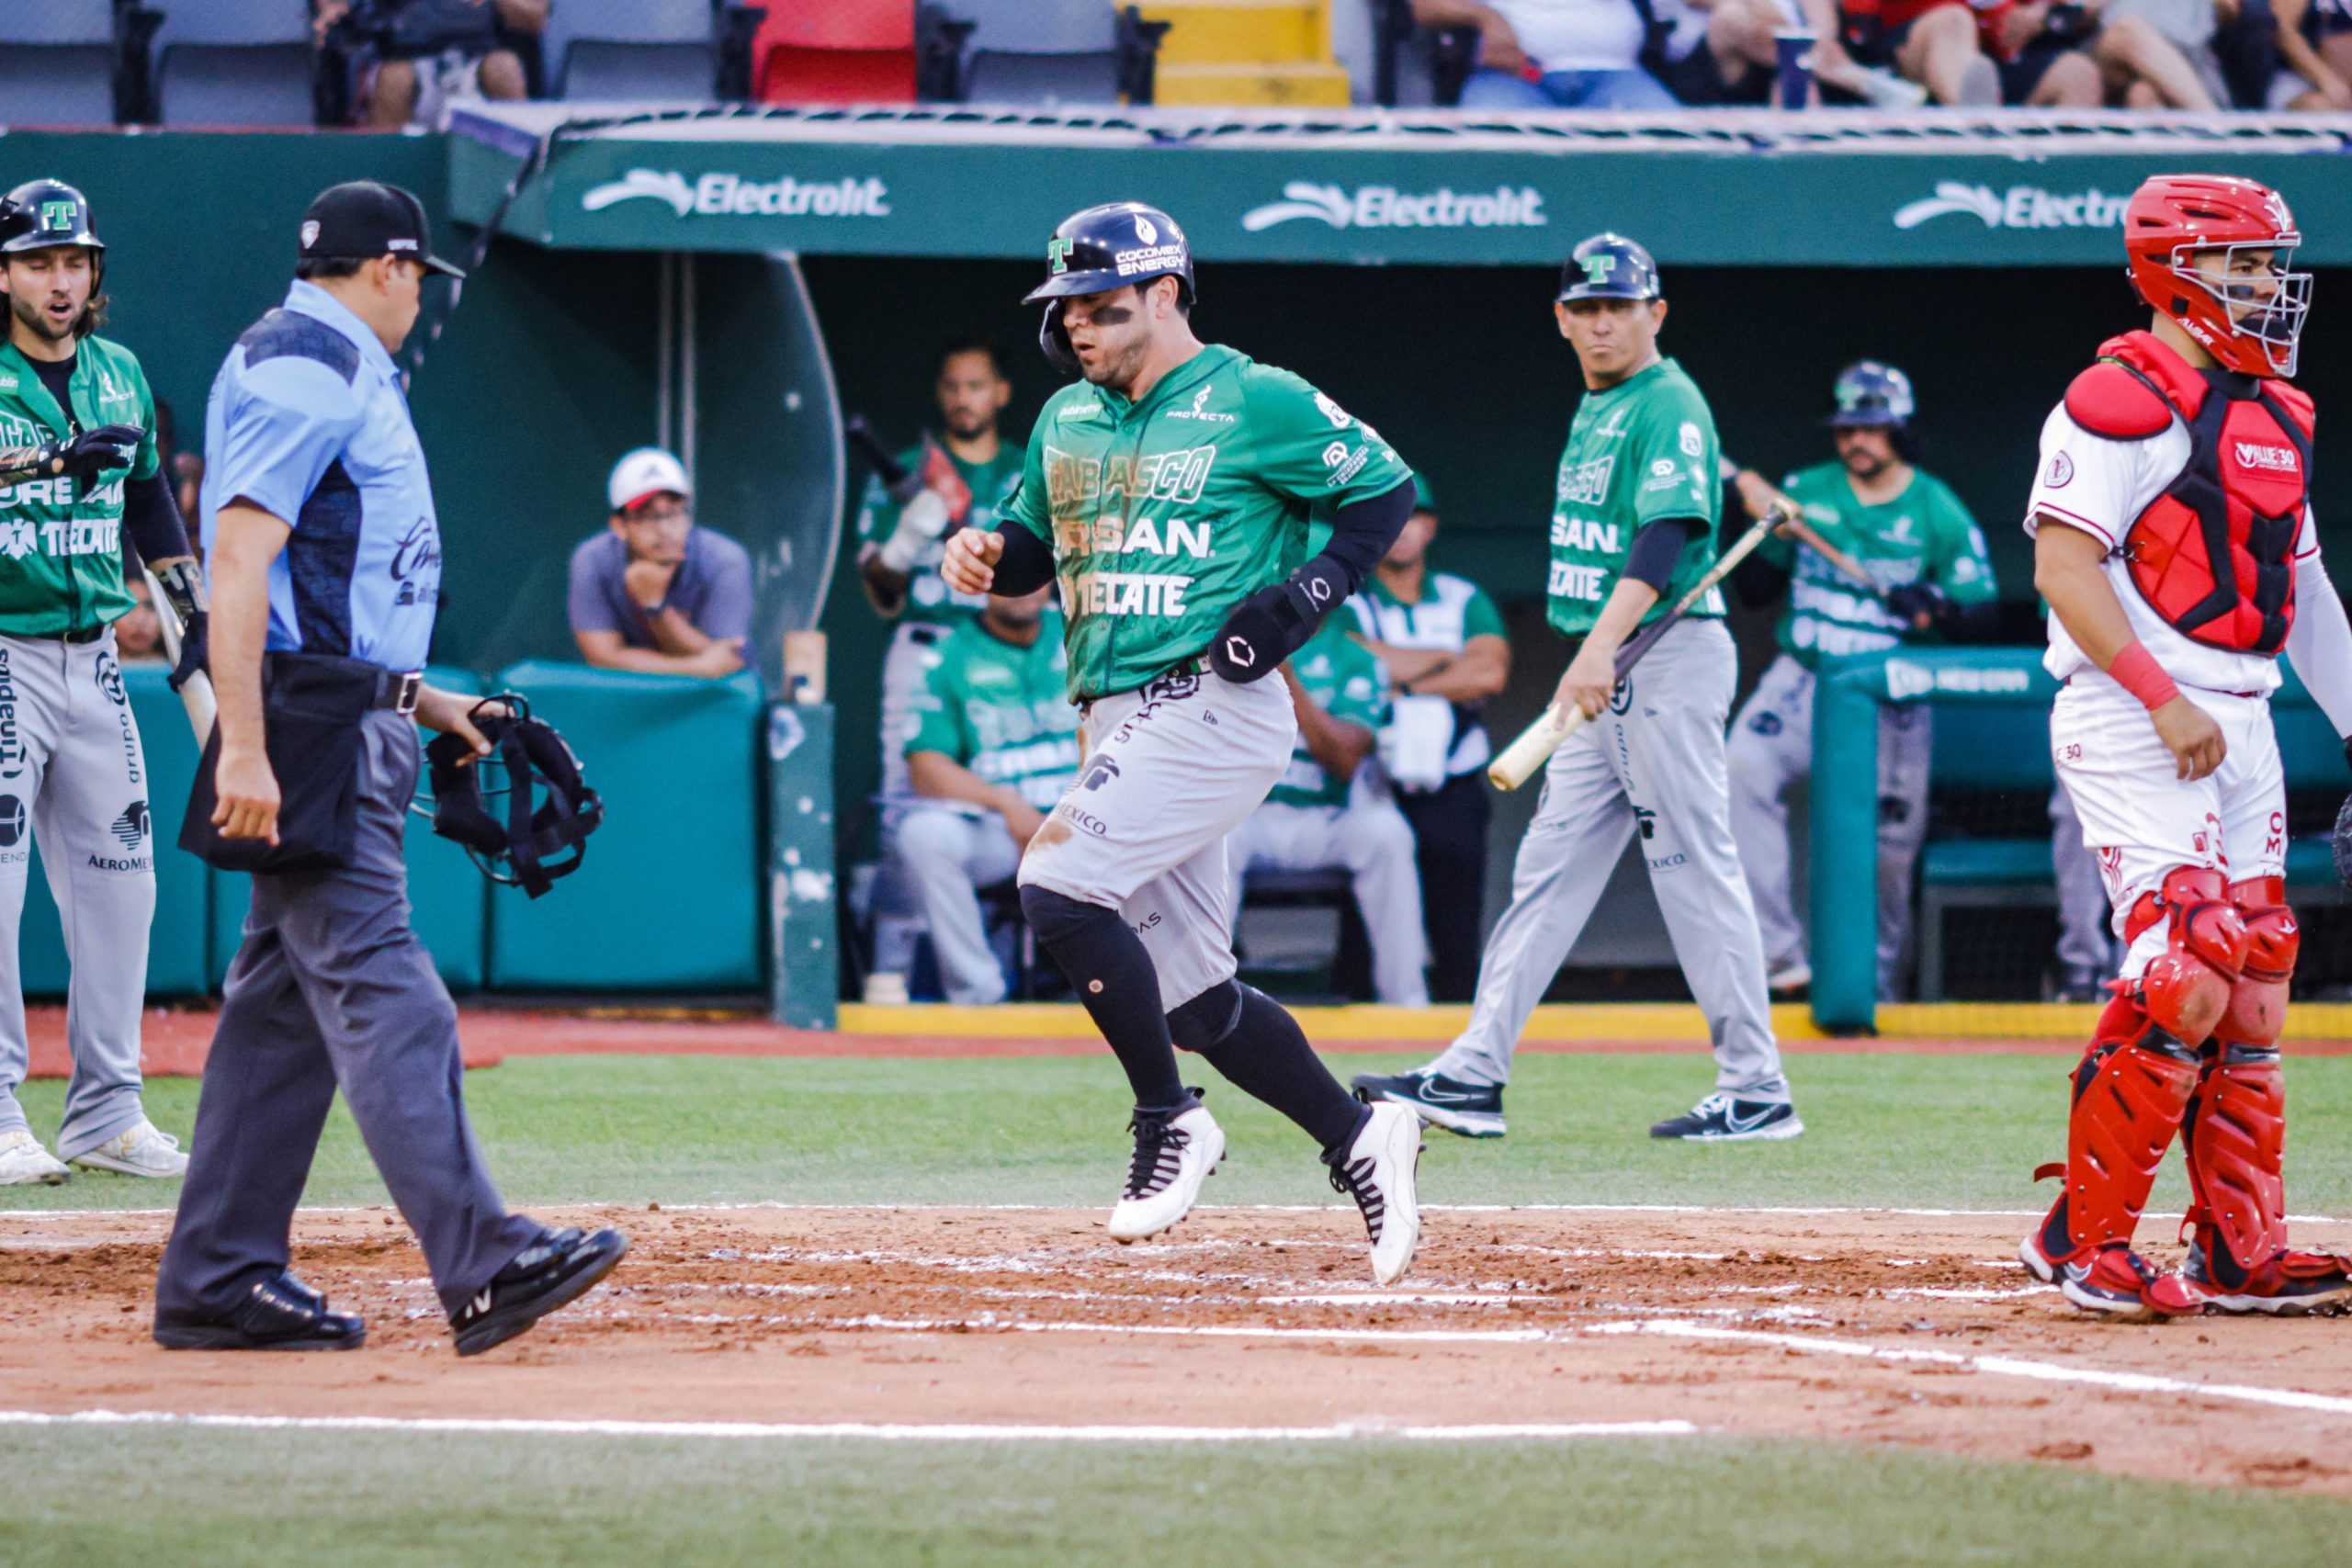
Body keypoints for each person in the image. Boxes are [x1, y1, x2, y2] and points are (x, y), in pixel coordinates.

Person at [155, 181, 627, 1353]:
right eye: (420, 276)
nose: (420, 296)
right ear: (391, 268)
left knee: (283, 1015)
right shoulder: (304, 362)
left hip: (340, 710)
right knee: (384, 986)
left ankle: (217, 1273)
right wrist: (248, 744)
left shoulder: (331, 360)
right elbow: (240, 559)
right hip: (305, 729)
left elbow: (336, 588)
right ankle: (483, 1259)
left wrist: (421, 698)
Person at [941, 201, 1426, 1283]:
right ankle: (1359, 1136)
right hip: (1113, 712)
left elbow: (1381, 488)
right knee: (1194, 999)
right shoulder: (1064, 416)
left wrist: (1304, 594)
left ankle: (1170, 1118)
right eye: (1067, 309)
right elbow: (1033, 548)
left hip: (1211, 698)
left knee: (1058, 888)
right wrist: (984, 554)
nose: (1078, 327)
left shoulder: (1253, 395)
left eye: (1103, 308)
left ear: (1166, 296)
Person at [1353, 233, 1798, 1145]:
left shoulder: (1666, 396)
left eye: (1621, 306)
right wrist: (1598, 659)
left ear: (1654, 314)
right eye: (1587, 307)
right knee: (1547, 870)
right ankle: (1474, 1074)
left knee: (1692, 870)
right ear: (1561, 317)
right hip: (1610, 669)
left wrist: (1596, 653)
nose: (1603, 321)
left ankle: (1756, 1087)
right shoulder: (1604, 403)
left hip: (1659, 657)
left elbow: (1663, 541)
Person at [2018, 174, 2352, 1319]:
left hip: (2241, 712)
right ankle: (2083, 1244)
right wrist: (2161, 698)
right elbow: (2063, 569)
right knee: (2188, 960)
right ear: (2177, 270)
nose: (2266, 286)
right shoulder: (2114, 399)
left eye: (2269, 264)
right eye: (2243, 264)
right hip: (2134, 709)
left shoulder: (2276, 412)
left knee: (2257, 963)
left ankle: (2237, 1247)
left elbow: (2302, 591)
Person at [0, 180, 209, 1188]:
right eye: (39, 262)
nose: (59, 280)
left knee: (126, 882)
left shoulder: (121, 372)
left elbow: (151, 509)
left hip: (97, 655)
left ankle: (106, 1112)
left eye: (75, 262)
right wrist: (43, 458)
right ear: (4, 274)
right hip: (4, 650)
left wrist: (192, 614)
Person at [1725, 361, 1999, 1001]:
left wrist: (1933, 602)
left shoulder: (1935, 504)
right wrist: (1757, 522)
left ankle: (1872, 979)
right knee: (1742, 766)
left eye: (1874, 427)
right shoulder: (1805, 488)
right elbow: (1756, 590)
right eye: (1849, 427)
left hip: (1889, 689)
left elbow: (1981, 610)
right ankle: (1780, 960)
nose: (1859, 440)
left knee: (1889, 841)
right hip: (1805, 672)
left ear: (1901, 429)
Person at [856, 341, 1030, 992]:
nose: (965, 398)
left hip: (1013, 648)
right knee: (907, 802)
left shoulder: (1025, 470)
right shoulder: (908, 469)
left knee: (1031, 783)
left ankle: (1025, 969)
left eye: (977, 385)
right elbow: (880, 594)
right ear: (940, 394)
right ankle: (891, 969)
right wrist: (904, 542)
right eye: (954, 386)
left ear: (1001, 393)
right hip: (928, 642)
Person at [1344, 477, 1509, 1002]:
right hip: (1373, 782)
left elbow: (1488, 673)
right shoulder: (1350, 595)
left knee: (1456, 925)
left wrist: (1405, 682)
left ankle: (1461, 1038)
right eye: (1389, 516)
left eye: (1413, 516)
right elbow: (1352, 656)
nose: (1402, 529)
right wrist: (1445, 659)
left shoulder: (1464, 596)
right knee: (1363, 928)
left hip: (1455, 779)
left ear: (1430, 525)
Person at [1229, 618, 1430, 1008]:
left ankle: (1406, 1003)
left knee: (1388, 833)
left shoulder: (1355, 658)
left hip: (1325, 818)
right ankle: (1195, 999)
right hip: (1245, 816)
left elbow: (1345, 759)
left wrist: (1286, 679)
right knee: (1209, 839)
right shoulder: (1229, 644)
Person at [899, 583, 1078, 1006]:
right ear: (980, 586)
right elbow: (925, 765)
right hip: (1005, 829)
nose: (1022, 587)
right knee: (924, 834)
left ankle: (1160, 991)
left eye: (1031, 573)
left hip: (1093, 816)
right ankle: (979, 996)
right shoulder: (949, 655)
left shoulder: (1082, 631)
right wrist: (1006, 803)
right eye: (1006, 578)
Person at [568, 447, 753, 677]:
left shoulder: (725, 559)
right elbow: (602, 657)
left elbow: (728, 662)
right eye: (647, 517)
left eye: (674, 513)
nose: (664, 530)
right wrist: (699, 668)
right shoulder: (592, 559)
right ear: (619, 526)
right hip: (630, 700)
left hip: (712, 701)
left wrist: (654, 606)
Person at [315, 0, 546, 130]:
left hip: (477, 60)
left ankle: (522, 189)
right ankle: (383, 198)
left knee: (504, 68)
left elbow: (535, 17)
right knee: (395, 80)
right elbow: (334, 12)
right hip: (402, 56)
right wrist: (332, 12)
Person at [1415, 0, 1681, 107]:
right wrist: (1486, 17)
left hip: (1618, 75)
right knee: (1483, 149)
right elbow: (1425, 7)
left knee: (1677, 143)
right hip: (1513, 79)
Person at [114, 574, 168, 667]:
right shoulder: (89, 675)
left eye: (151, 607)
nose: (139, 620)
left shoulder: (186, 676)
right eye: (127, 607)